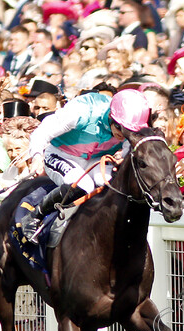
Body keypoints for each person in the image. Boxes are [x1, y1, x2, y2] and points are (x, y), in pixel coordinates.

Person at [18, 89, 152, 241]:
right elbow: (42, 132)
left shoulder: (131, 127)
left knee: (111, 184)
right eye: (121, 127)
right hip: (61, 154)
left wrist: (124, 157)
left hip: (95, 159)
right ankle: (35, 215)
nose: (124, 134)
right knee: (83, 185)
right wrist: (36, 156)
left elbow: (129, 151)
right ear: (111, 116)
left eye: (130, 131)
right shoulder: (81, 112)